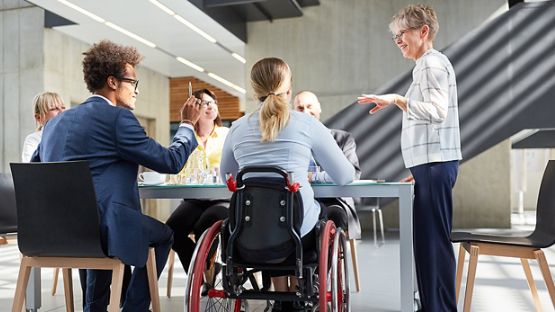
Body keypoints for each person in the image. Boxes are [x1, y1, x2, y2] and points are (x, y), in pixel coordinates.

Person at [32, 40, 201, 312]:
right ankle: (133, 307)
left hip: (59, 232)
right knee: (164, 235)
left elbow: (37, 173)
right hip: (104, 230)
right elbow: (170, 161)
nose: (136, 91)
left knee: (98, 226)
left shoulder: (53, 125)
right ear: (112, 82)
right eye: (133, 82)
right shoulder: (117, 119)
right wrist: (187, 125)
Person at [220, 57, 355, 311]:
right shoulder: (307, 124)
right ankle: (303, 288)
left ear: (254, 90)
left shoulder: (236, 129)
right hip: (298, 236)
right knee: (330, 214)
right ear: (289, 89)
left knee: (270, 216)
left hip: (248, 235)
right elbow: (346, 176)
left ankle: (282, 297)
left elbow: (226, 177)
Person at [357, 4, 461, 311]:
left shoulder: (430, 64)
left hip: (435, 165)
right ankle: (433, 305)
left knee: (433, 244)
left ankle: (439, 308)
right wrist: (421, 168)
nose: (398, 41)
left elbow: (437, 113)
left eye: (401, 33)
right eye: (395, 36)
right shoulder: (429, 65)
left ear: (423, 31)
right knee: (428, 243)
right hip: (430, 166)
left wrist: (398, 100)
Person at [166, 88, 229, 272]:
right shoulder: (186, 136)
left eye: (213, 102)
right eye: (204, 103)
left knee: (204, 225)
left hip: (222, 198)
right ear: (194, 109)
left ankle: (205, 275)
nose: (210, 106)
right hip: (194, 199)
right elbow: (178, 167)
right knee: (171, 232)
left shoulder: (227, 134)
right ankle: (199, 273)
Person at [293, 90, 362, 239]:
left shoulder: (343, 139)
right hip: (300, 201)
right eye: (300, 108)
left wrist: (312, 176)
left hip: (335, 201)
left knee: (333, 215)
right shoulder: (292, 143)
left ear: (319, 108)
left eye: (309, 106)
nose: (305, 111)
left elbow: (353, 174)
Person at [21, 91, 66, 162]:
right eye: (54, 109)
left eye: (63, 108)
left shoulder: (73, 135)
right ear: (39, 117)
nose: (62, 112)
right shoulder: (33, 140)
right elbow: (30, 169)